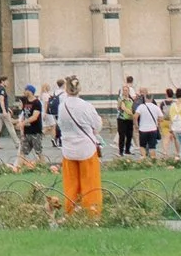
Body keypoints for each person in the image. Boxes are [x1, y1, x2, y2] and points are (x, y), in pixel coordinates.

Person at [56, 76, 104, 216]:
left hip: (68, 149)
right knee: (90, 183)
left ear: (66, 89)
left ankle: (71, 212)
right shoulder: (86, 106)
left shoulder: (62, 106)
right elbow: (97, 125)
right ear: (79, 89)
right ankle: (91, 212)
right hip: (86, 148)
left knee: (71, 185)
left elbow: (61, 125)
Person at [133, 90, 162, 158]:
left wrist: (136, 126)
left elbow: (135, 117)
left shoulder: (141, 106)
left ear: (145, 98)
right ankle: (153, 159)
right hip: (153, 129)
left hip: (143, 129)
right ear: (152, 98)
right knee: (152, 147)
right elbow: (161, 118)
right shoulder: (156, 107)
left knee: (142, 146)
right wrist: (157, 123)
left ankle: (144, 158)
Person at [115, 76, 137, 158]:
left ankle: (127, 150)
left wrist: (133, 114)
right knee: (122, 135)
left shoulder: (130, 100)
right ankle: (121, 151)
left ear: (128, 91)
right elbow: (123, 108)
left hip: (129, 119)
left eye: (126, 90)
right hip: (122, 119)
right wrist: (132, 113)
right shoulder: (121, 99)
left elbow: (133, 107)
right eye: (124, 90)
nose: (125, 91)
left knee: (129, 135)